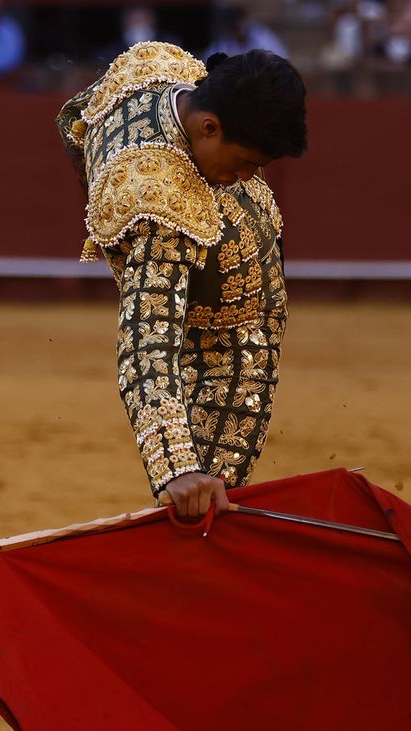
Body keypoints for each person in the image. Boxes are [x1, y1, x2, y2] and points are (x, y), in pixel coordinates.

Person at [55, 43, 308, 520]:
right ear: (209, 128)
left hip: (235, 317)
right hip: (217, 357)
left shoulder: (159, 67)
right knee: (203, 519)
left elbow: (77, 118)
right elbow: (147, 342)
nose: (247, 178)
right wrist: (176, 467)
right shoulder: (158, 198)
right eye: (245, 162)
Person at [207, 5, 289, 61]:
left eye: (238, 27)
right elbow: (209, 59)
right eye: (233, 29)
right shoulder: (223, 43)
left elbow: (281, 58)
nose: (237, 32)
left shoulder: (262, 37)